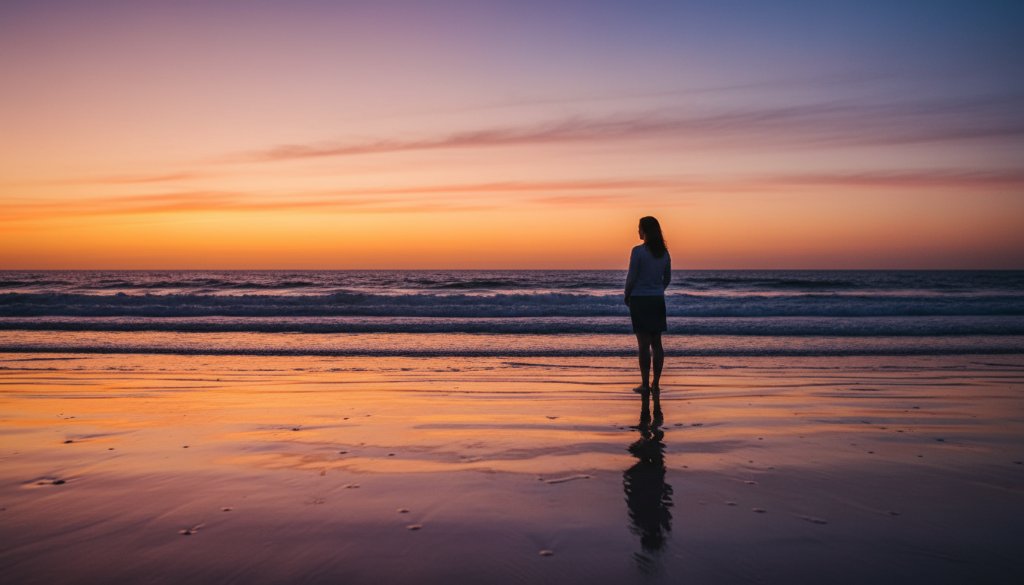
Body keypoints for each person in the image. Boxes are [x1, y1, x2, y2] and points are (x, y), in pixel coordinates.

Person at [624, 216, 671, 399]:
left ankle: (645, 384)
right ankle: (656, 384)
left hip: (640, 299)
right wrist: (658, 290)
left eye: (639, 228)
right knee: (657, 343)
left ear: (645, 231)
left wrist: (627, 294)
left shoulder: (638, 252)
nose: (637, 231)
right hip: (657, 299)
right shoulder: (664, 253)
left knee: (643, 345)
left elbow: (632, 277)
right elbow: (667, 279)